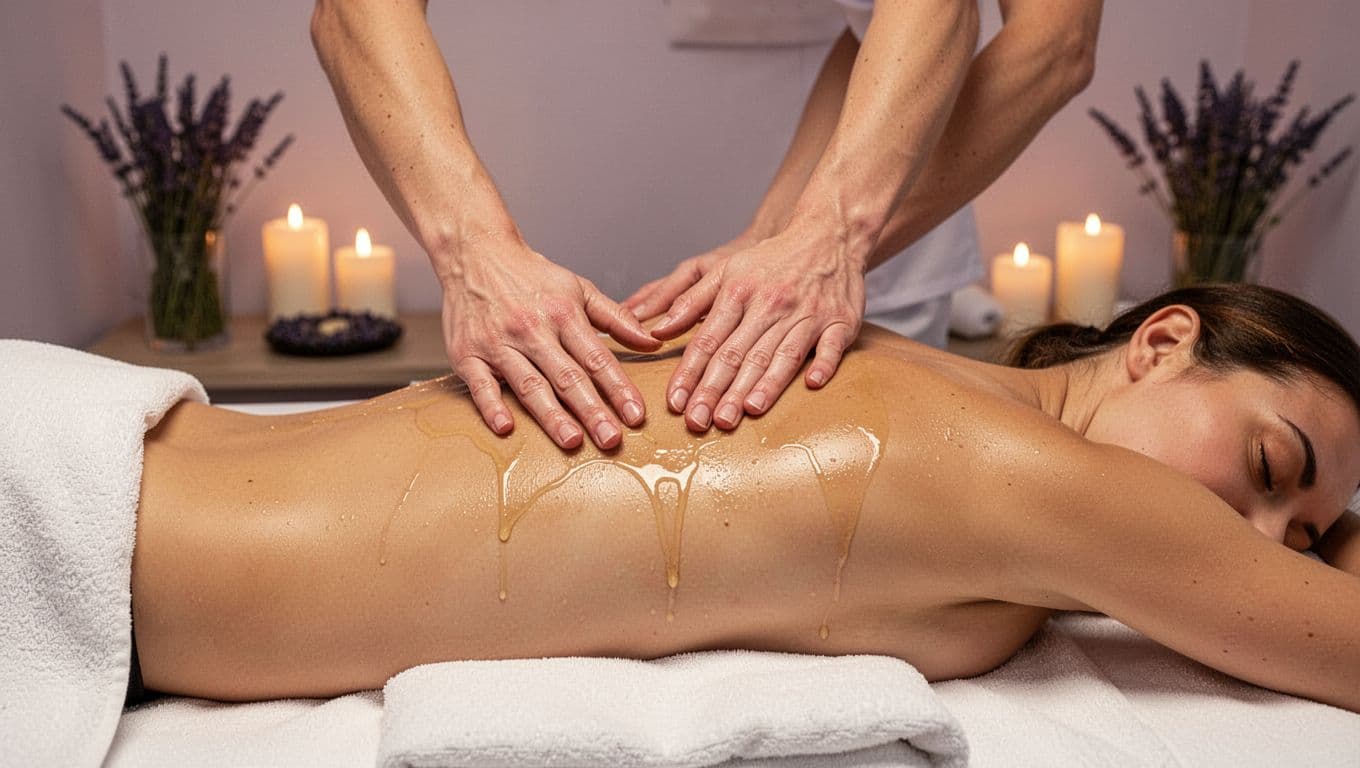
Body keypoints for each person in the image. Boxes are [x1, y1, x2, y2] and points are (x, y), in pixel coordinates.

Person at [127, 283, 1360, 713]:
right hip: (119, 549)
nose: (1258, 540)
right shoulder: (1054, 486)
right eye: (1269, 469)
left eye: (1302, 540)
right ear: (1161, 342)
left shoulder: (864, 346)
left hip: (129, 446)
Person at [310, 0, 1102, 448]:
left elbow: (1052, 38)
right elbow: (353, 12)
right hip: (565, 248)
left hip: (875, 221)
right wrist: (471, 251)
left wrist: (827, 238)